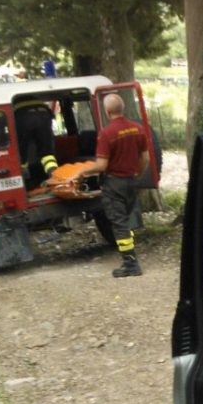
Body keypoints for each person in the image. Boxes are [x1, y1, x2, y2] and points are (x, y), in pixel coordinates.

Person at [69, 94, 149, 277]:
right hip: (130, 182)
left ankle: (131, 264)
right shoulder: (137, 129)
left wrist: (81, 172)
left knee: (119, 224)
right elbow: (145, 158)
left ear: (107, 111)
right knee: (125, 223)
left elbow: (101, 166)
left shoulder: (107, 133)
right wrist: (137, 174)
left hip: (114, 184)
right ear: (123, 108)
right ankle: (130, 258)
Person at [14, 100, 58, 187]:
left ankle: (25, 181)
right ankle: (56, 178)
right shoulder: (31, 97)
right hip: (44, 113)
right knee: (47, 153)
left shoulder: (10, 99)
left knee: (21, 149)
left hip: (23, 115)